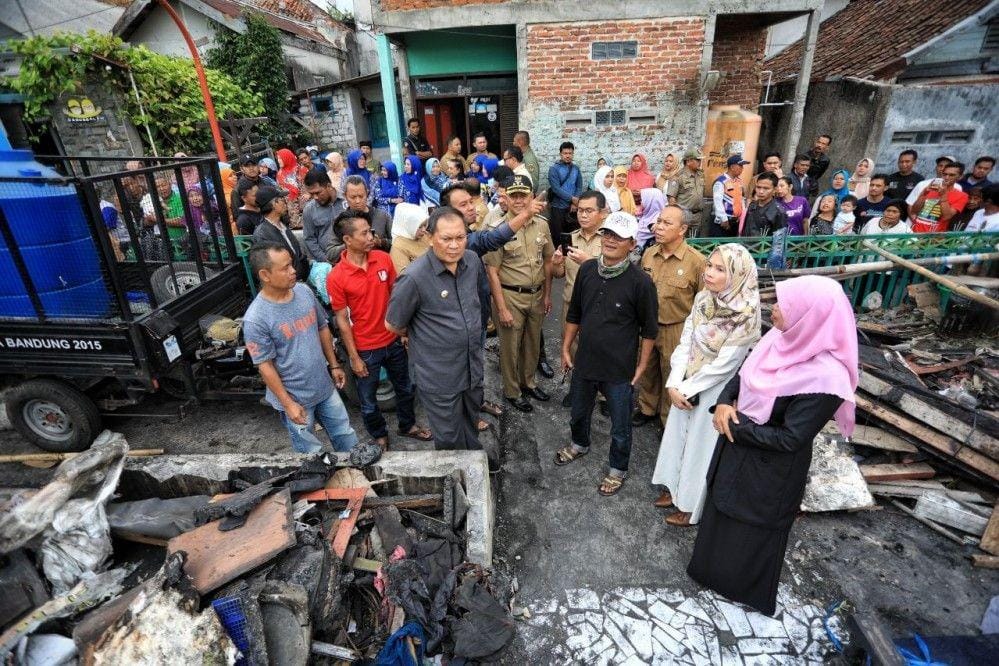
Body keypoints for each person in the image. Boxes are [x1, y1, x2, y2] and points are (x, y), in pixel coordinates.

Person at [690, 275, 858, 616]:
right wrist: (724, 402)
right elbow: (742, 376)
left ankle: (742, 589)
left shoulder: (827, 377)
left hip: (769, 473)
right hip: (738, 452)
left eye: (784, 304)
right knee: (720, 517)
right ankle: (709, 573)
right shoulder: (778, 340)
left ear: (809, 316)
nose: (774, 309)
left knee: (751, 533)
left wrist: (735, 425)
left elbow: (792, 437)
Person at [653, 243, 761, 526]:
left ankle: (690, 505)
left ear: (737, 275)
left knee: (701, 445)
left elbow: (726, 364)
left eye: (719, 269)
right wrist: (675, 382)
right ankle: (672, 488)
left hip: (716, 389)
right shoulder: (704, 299)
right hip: (687, 378)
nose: (708, 273)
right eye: (709, 265)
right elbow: (686, 339)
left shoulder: (747, 313)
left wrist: (686, 388)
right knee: (677, 435)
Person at [555, 211, 658, 496]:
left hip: (619, 368)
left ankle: (618, 468)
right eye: (608, 234)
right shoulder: (587, 270)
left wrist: (641, 366)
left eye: (619, 237)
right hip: (586, 360)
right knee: (578, 411)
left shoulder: (641, 282)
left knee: (620, 424)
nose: (611, 241)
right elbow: (575, 312)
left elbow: (649, 329)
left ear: (632, 244)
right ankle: (579, 444)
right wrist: (565, 347)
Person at [385, 207, 488, 452]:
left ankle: (475, 466)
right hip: (440, 376)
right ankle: (457, 480)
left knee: (470, 423)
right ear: (430, 238)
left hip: (472, 366)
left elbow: (478, 301)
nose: (454, 245)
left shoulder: (472, 261)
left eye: (460, 237)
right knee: (449, 436)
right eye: (446, 239)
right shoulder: (414, 277)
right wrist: (425, 337)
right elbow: (392, 324)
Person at [327, 209, 431, 449]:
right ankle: (379, 435)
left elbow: (397, 298)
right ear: (347, 239)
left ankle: (408, 426)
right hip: (365, 349)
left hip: (393, 340)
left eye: (370, 231)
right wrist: (353, 357)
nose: (371, 236)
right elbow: (342, 320)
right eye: (364, 233)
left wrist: (403, 332)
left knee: (405, 388)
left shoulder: (383, 259)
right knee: (368, 400)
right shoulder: (336, 277)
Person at [243, 242, 358, 454]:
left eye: (292, 265)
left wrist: (334, 365)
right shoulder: (256, 319)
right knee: (311, 454)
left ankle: (354, 479)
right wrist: (288, 405)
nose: (293, 271)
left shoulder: (304, 291)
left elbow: (322, 328)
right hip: (296, 399)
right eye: (285, 268)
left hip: (324, 387)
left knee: (346, 437)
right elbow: (265, 366)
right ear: (265, 275)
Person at [483, 174, 554, 413]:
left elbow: (548, 261)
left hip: (535, 295)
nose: (519, 200)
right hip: (509, 296)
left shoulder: (542, 224)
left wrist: (547, 295)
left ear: (531, 196)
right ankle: (512, 391)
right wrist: (501, 308)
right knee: (510, 347)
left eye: (523, 195)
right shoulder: (499, 229)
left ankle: (529, 383)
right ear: (506, 198)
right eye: (513, 195)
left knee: (533, 344)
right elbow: (492, 271)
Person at [634, 206, 706, 428]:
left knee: (671, 374)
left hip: (676, 328)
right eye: (659, 222)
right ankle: (647, 408)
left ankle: (667, 420)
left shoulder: (696, 262)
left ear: (683, 229)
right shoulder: (649, 254)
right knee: (647, 369)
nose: (659, 227)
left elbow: (703, 303)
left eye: (667, 223)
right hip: (647, 326)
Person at [551, 191, 607, 405]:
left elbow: (617, 271)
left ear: (601, 213)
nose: (583, 215)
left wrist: (589, 262)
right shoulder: (571, 238)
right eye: (580, 210)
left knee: (599, 349)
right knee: (571, 346)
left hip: (599, 306)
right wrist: (557, 262)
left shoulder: (610, 239)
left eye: (589, 211)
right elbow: (559, 275)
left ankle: (602, 395)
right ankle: (577, 389)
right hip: (571, 305)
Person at [252, 185, 309, 280]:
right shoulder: (262, 233)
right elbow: (270, 266)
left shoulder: (282, 226)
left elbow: (297, 254)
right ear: (274, 204)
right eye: (282, 199)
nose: (285, 203)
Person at [301, 169, 346, 263]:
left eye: (317, 193)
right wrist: (325, 260)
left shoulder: (346, 200)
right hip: (327, 263)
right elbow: (309, 239)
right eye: (311, 194)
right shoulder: (309, 210)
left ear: (329, 186)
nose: (315, 197)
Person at [910, 161, 968, 233]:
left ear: (960, 176)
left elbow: (947, 216)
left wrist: (943, 196)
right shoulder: (931, 189)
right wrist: (923, 194)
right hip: (914, 233)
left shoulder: (962, 196)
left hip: (934, 237)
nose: (947, 177)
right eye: (945, 174)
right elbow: (914, 211)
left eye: (951, 175)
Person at [343, 175, 392, 250]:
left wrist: (381, 242)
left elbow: (397, 243)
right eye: (353, 197)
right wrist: (352, 243)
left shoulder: (382, 216)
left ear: (367, 193)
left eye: (361, 196)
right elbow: (331, 252)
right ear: (345, 196)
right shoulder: (341, 221)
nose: (358, 201)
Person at [547, 141, 584, 242]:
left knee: (573, 236)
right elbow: (556, 189)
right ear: (560, 154)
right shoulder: (554, 169)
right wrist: (572, 199)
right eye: (565, 153)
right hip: (557, 208)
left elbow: (579, 186)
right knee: (558, 237)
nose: (568, 156)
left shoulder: (576, 169)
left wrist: (574, 203)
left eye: (570, 153)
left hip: (572, 209)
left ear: (573, 154)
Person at [711, 155, 749, 237]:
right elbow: (718, 202)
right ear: (732, 167)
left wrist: (742, 215)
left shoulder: (739, 181)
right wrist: (724, 219)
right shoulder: (721, 181)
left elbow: (741, 199)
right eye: (740, 166)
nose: (742, 168)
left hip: (735, 221)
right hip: (723, 222)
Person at [741, 172, 787, 237]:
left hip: (764, 246)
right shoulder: (752, 205)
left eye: (766, 188)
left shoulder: (779, 212)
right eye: (758, 187)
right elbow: (745, 229)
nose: (761, 191)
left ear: (775, 190)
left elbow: (779, 241)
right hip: (745, 245)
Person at [389, 202, 430, 273]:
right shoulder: (398, 246)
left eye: (425, 225)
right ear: (408, 226)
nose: (423, 230)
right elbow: (403, 276)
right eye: (419, 227)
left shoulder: (425, 236)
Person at [675, 150, 706, 226]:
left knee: (695, 237)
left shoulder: (700, 174)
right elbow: (671, 199)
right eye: (698, 160)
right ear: (688, 162)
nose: (700, 162)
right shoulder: (678, 177)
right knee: (682, 237)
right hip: (683, 216)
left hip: (697, 216)